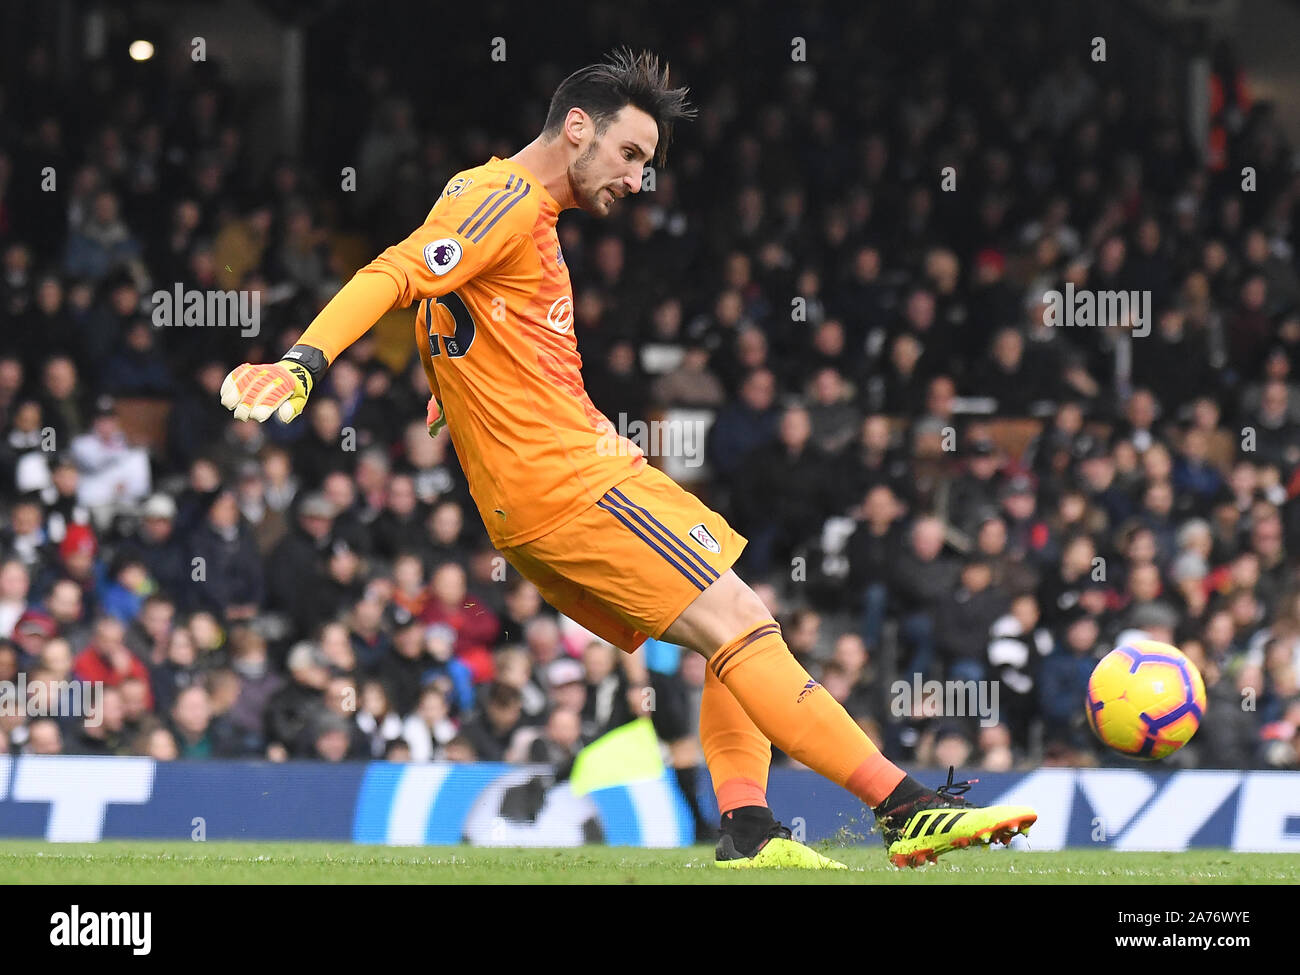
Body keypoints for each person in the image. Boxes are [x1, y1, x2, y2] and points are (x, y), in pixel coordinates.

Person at [218, 50, 1035, 869]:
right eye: (631, 154)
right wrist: (303, 363)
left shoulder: (486, 199)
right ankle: (904, 807)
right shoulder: (505, 196)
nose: (639, 180)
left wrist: (452, 391)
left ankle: (749, 828)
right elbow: (395, 271)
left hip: (548, 491)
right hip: (573, 482)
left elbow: (453, 309)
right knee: (745, 625)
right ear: (578, 127)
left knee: (738, 623)